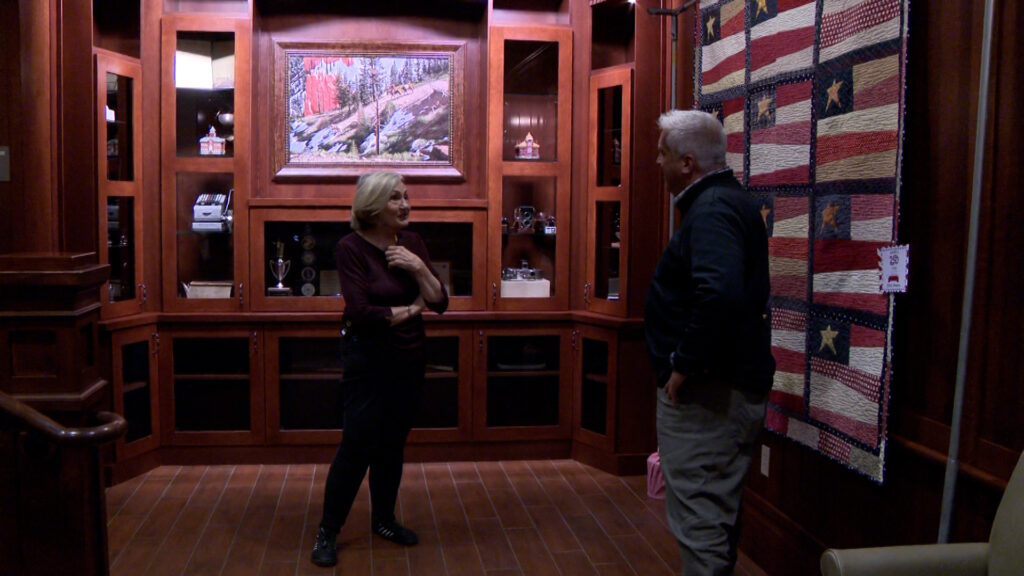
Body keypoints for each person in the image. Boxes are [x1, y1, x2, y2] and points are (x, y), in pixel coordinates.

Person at [644, 110, 775, 576]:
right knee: (716, 517)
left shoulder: (713, 210)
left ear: (687, 162)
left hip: (709, 397)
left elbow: (717, 292)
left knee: (700, 525)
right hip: (725, 389)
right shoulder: (722, 203)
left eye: (661, 153)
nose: (655, 161)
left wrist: (683, 365)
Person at [312, 171, 448, 568]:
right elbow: (360, 312)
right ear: (372, 206)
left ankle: (384, 520)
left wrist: (417, 267)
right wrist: (409, 310)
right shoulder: (350, 248)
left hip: (409, 358)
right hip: (367, 362)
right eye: (395, 199)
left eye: (406, 197)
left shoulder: (412, 243)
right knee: (356, 446)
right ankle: (327, 531)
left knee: (392, 444)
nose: (405, 205)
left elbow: (440, 301)